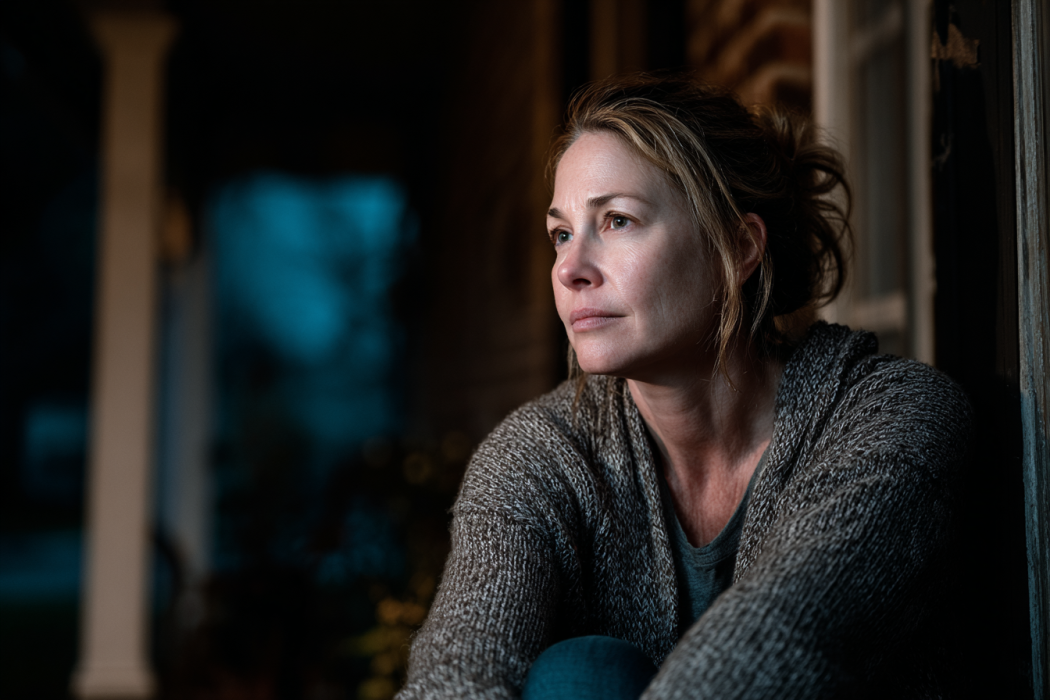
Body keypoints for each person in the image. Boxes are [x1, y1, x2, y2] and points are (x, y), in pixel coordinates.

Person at [398, 74, 971, 699]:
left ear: (738, 244)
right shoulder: (541, 457)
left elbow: (779, 643)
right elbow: (455, 672)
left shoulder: (892, 419)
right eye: (561, 233)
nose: (568, 269)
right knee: (583, 675)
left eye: (616, 221)